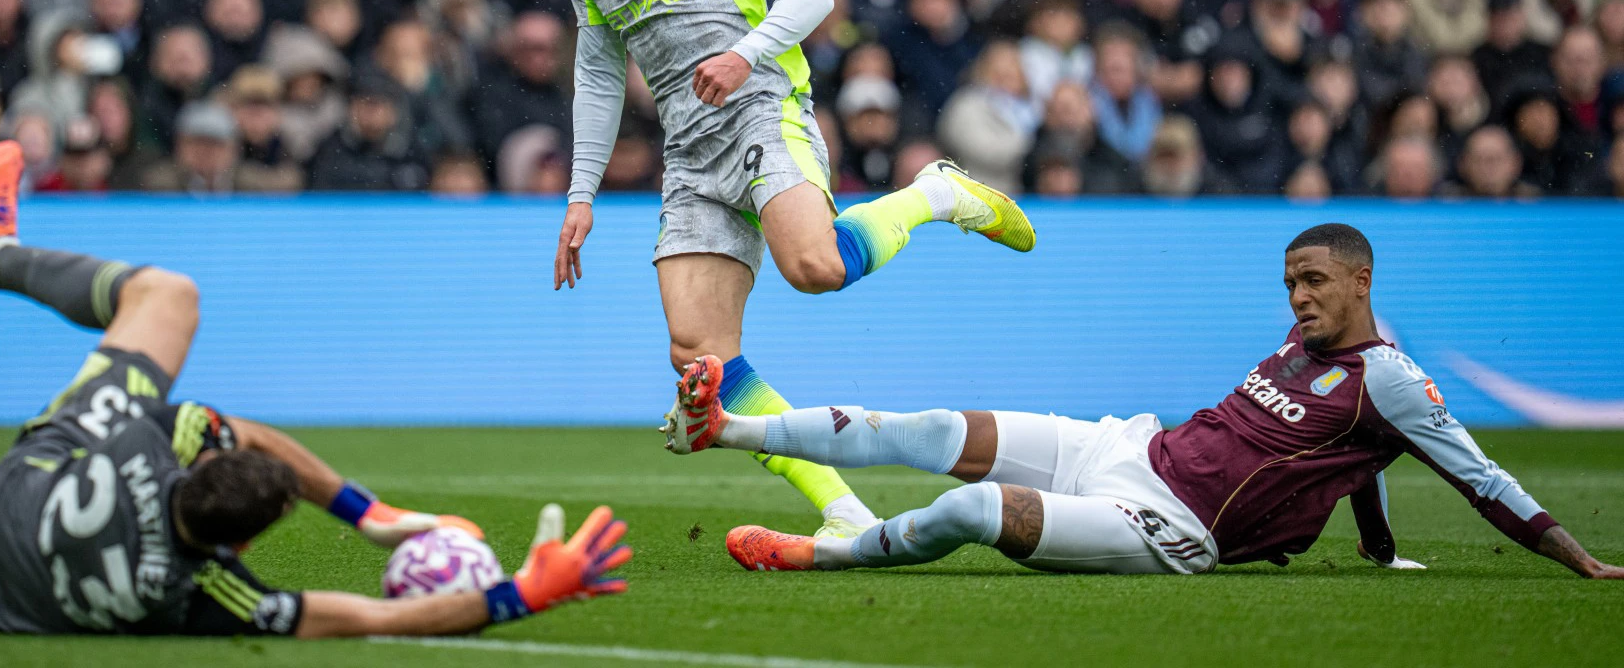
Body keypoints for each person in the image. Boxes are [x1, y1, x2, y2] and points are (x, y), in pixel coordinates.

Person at [554, 0, 1035, 542]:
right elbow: (600, 72)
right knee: (697, 355)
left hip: (759, 107)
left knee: (816, 269)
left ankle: (935, 195)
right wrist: (581, 195)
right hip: (689, 147)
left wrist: (745, 52)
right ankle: (843, 509)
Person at [0, 141, 630, 635]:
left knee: (167, 295)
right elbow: (370, 620)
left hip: (22, 488)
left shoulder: (153, 439)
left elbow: (249, 435)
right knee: (83, 578)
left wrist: (371, 515)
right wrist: (523, 595)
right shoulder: (205, 592)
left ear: (202, 459)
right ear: (242, 542)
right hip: (15, 579)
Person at [666, 223, 1623, 581]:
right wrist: (1376, 548)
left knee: (966, 512)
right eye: (1291, 281)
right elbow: (1363, 465)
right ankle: (728, 429)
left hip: (1168, 524)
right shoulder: (1305, 346)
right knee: (935, 429)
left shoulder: (1393, 382)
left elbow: (1475, 477)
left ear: (1363, 280)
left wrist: (1578, 561)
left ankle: (822, 553)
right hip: (1132, 449)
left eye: (1316, 282)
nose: (1298, 298)